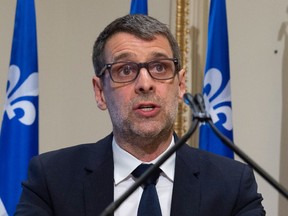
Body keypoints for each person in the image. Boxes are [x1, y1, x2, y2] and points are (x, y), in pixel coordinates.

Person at [15, 14, 265, 216]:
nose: (145, 83)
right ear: (100, 91)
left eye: (159, 67)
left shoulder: (232, 185)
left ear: (180, 85)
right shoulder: (51, 179)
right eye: (125, 70)